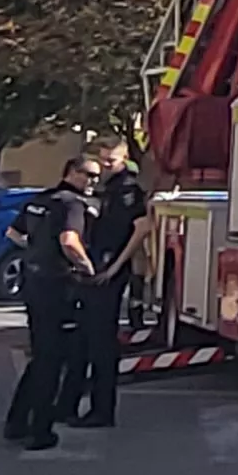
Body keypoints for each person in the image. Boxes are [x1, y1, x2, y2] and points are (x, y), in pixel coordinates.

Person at [0, 155, 101, 451]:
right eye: (88, 174)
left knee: (41, 355)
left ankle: (17, 422)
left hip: (34, 283)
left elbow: (13, 233)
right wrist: (88, 268)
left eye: (96, 176)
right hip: (59, 286)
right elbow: (70, 241)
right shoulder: (72, 203)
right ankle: (40, 430)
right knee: (52, 360)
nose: (93, 181)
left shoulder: (40, 200)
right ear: (71, 172)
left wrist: (37, 250)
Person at [58, 140, 150, 428]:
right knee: (80, 342)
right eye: (103, 159)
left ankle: (102, 410)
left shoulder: (128, 189)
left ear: (124, 158)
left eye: (112, 160)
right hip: (90, 269)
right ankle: (67, 406)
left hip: (107, 272)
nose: (106, 165)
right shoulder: (100, 187)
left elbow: (142, 228)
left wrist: (115, 267)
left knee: (101, 345)